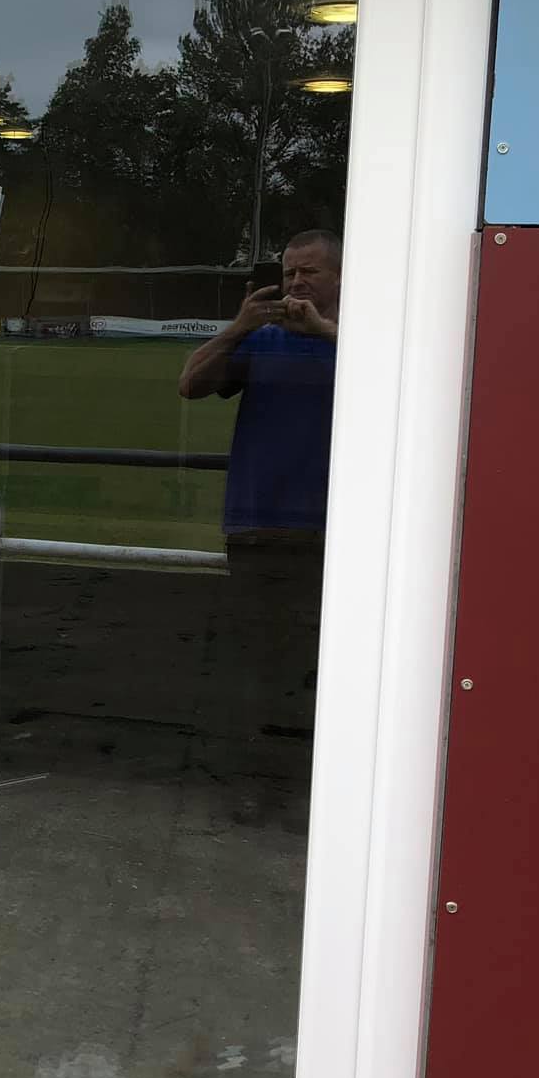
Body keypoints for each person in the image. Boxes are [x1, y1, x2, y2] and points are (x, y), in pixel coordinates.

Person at [178, 229, 342, 758]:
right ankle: (259, 775)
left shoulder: (371, 340)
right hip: (260, 524)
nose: (296, 282)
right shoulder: (263, 338)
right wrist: (239, 327)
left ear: (339, 276)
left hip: (341, 531)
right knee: (261, 661)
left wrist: (328, 333)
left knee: (336, 664)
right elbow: (190, 384)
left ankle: (324, 777)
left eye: (309, 272)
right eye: (289, 272)